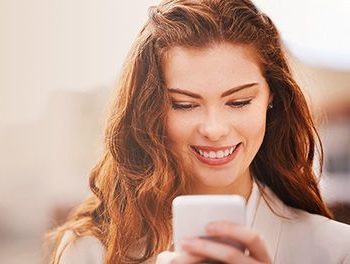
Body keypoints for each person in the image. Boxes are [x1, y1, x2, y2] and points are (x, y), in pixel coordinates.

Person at [47, 0, 350, 263]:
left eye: (239, 101)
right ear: (149, 109)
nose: (214, 129)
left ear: (272, 97)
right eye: (184, 105)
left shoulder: (336, 251)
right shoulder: (91, 250)